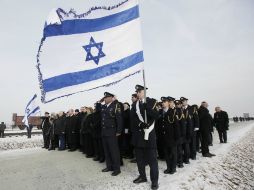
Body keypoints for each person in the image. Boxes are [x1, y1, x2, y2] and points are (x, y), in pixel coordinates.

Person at [131, 85, 159, 190]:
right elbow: (133, 119)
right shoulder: (135, 105)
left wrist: (148, 108)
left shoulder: (153, 102)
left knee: (152, 160)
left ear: (145, 92)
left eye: (140, 91)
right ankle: (142, 176)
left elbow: (157, 115)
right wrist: (140, 124)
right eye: (137, 92)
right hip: (139, 136)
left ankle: (154, 181)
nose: (138, 93)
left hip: (150, 135)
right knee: (139, 159)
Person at [155, 96, 180, 174]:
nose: (163, 103)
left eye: (164, 102)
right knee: (166, 154)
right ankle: (168, 167)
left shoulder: (173, 112)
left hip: (172, 137)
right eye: (162, 102)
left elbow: (176, 126)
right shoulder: (160, 112)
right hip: (163, 137)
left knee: (173, 153)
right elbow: (158, 125)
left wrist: (177, 137)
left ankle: (173, 168)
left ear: (168, 103)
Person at [100, 92, 123, 176]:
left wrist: (119, 131)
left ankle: (117, 169)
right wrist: (99, 102)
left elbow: (119, 119)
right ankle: (109, 166)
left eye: (106, 97)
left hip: (112, 132)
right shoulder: (103, 107)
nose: (105, 99)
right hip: (104, 132)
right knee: (106, 151)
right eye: (104, 98)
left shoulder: (116, 105)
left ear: (111, 98)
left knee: (114, 151)